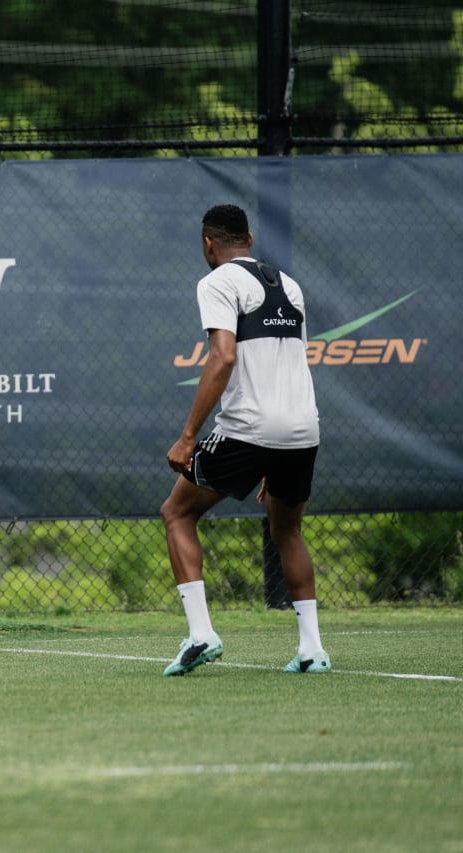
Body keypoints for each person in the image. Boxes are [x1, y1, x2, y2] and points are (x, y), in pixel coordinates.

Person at [160, 204, 329, 677]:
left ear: (208, 244)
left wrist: (189, 436)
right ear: (249, 240)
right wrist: (272, 458)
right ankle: (312, 648)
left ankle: (200, 634)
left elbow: (223, 357)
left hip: (250, 428)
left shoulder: (215, 282)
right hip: (301, 430)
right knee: (287, 530)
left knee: (177, 513)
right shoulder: (289, 284)